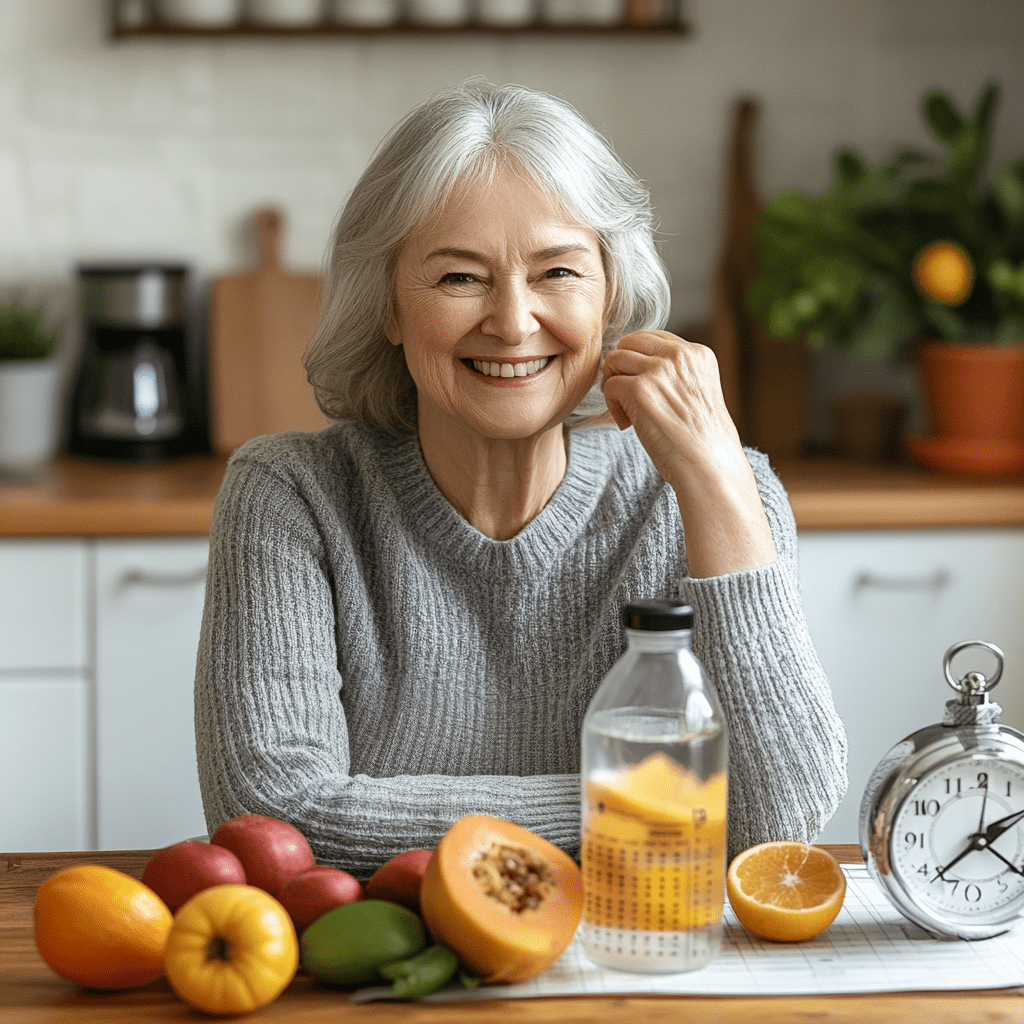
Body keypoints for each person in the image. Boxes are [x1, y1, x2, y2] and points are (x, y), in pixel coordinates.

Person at [194, 81, 847, 878]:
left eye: (558, 273)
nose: (511, 321)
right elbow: (276, 820)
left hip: (636, 967)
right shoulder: (291, 494)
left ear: (611, 295)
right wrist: (669, 806)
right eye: (459, 278)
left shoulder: (723, 491)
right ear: (390, 308)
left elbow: (779, 823)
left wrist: (715, 479)